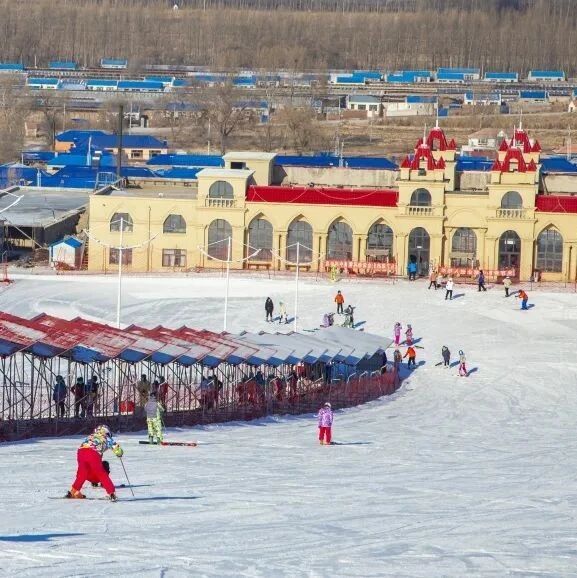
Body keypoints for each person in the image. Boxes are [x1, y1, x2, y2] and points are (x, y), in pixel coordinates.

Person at [67, 424, 123, 501]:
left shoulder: (91, 436)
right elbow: (116, 448)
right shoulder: (106, 437)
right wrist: (119, 453)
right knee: (101, 473)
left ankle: (73, 491)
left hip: (81, 451)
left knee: (82, 473)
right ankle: (111, 493)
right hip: (93, 453)